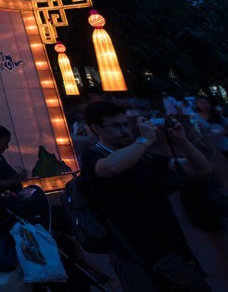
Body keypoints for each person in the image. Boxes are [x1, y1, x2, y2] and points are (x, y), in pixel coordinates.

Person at [82, 100, 213, 292]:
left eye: (126, 124)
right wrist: (144, 140)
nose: (125, 131)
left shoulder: (146, 157)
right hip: (133, 254)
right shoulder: (93, 156)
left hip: (171, 247)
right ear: (96, 128)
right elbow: (109, 167)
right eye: (117, 126)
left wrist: (182, 140)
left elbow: (201, 169)